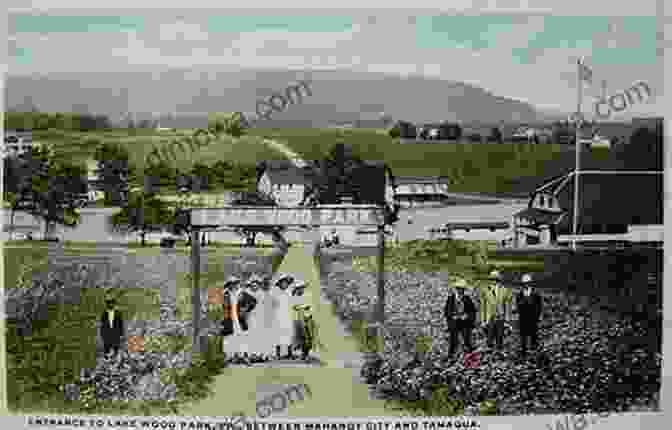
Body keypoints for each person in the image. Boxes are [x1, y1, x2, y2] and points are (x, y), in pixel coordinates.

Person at [480, 270, 513, 350]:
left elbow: (508, 307)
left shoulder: (504, 290)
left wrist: (507, 321)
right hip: (489, 319)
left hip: (500, 319)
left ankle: (499, 356)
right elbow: (483, 307)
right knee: (489, 340)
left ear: (499, 280)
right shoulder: (485, 290)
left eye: (496, 279)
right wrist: (483, 321)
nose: (494, 281)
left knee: (500, 340)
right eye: (492, 279)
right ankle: (489, 357)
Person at [443, 278, 476, 356]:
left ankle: (469, 356)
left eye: (462, 289)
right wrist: (452, 317)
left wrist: (467, 316)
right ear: (456, 289)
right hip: (454, 323)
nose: (460, 291)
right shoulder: (451, 298)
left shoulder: (467, 299)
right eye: (459, 289)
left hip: (465, 323)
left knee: (467, 340)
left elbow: (473, 312)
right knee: (453, 341)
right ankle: (451, 356)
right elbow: (446, 312)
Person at [516, 273, 543, 357]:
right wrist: (523, 303)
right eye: (525, 283)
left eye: (528, 283)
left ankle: (534, 352)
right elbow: (518, 306)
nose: (526, 285)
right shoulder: (520, 294)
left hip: (533, 318)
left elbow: (539, 306)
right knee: (523, 336)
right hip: (523, 318)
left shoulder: (536, 294)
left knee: (534, 335)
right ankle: (524, 352)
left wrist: (538, 316)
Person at [270, 273, 296, 360]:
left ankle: (290, 353)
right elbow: (272, 304)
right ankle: (278, 354)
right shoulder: (275, 292)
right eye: (283, 282)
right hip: (278, 315)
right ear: (280, 283)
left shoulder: (289, 292)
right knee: (278, 334)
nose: (284, 284)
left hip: (288, 315)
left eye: (286, 283)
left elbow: (292, 303)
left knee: (289, 333)